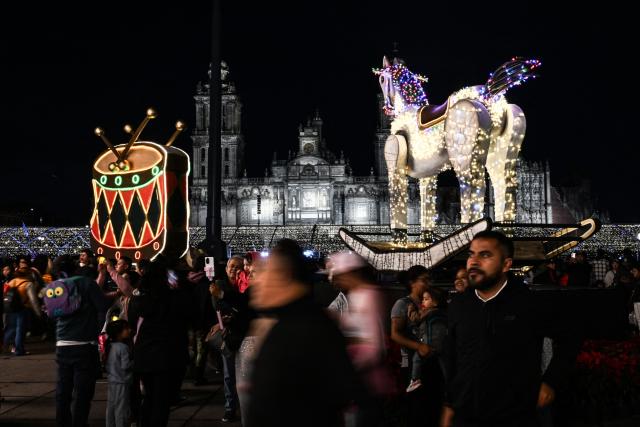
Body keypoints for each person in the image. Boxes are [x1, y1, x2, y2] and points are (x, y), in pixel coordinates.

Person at [441, 230, 580, 427]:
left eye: (485, 255)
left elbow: (570, 336)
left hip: (514, 414)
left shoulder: (528, 303)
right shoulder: (459, 305)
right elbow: (453, 356)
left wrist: (550, 382)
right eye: (471, 254)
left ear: (506, 264)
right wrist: (449, 404)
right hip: (465, 413)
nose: (474, 261)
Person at [245, 239, 362, 427]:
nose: (255, 280)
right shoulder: (283, 323)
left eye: (262, 271)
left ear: (282, 275)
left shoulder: (310, 328)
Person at [328, 251, 390, 427]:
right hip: (358, 384)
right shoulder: (354, 296)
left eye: (341, 275)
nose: (338, 280)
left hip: (368, 386)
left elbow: (375, 345)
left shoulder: (368, 296)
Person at [51, 255, 108, 427]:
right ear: (75, 266)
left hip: (62, 343)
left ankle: (62, 422)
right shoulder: (87, 283)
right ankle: (79, 422)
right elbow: (103, 306)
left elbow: (52, 314)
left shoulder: (54, 286)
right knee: (83, 390)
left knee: (63, 389)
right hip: (84, 344)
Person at [406, 286, 447, 393]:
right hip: (441, 345)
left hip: (428, 345)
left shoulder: (427, 312)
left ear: (435, 303)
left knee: (416, 358)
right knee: (444, 365)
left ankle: (415, 380)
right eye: (423, 299)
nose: (423, 301)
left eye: (426, 299)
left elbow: (415, 319)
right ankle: (449, 381)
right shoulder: (441, 312)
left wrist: (411, 309)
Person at [105, 319, 132, 427]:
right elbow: (125, 366)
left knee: (111, 407)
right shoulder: (123, 348)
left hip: (112, 382)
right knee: (121, 409)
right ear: (118, 333)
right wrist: (134, 362)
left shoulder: (110, 346)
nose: (129, 330)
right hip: (122, 382)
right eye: (126, 329)